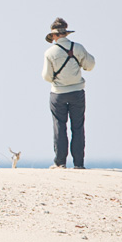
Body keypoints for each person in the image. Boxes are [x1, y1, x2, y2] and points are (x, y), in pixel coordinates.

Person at [42, 17, 95, 169]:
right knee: (78, 127)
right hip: (77, 91)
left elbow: (46, 76)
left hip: (58, 93)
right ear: (66, 33)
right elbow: (90, 65)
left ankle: (60, 163)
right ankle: (79, 164)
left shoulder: (50, 52)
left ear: (53, 36)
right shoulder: (78, 48)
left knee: (59, 126)